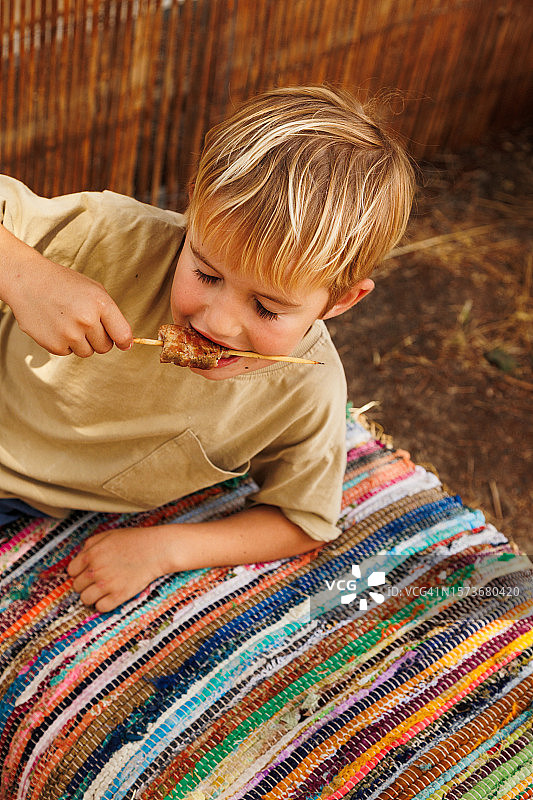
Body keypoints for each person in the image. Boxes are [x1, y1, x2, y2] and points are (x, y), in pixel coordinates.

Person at [0, 86, 414, 612]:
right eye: (205, 274)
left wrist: (165, 549)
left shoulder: (306, 388)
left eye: (267, 308)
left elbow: (302, 521)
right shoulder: (109, 235)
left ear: (341, 300)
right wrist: (23, 274)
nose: (216, 322)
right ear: (194, 206)